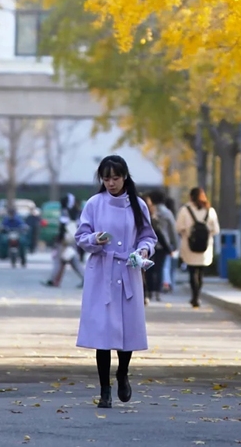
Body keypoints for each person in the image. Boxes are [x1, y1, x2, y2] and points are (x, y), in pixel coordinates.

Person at [75, 155, 157, 409]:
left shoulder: (137, 205)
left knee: (126, 330)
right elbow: (81, 235)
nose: (111, 183)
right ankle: (104, 390)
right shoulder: (94, 203)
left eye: (116, 178)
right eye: (106, 178)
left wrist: (143, 250)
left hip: (128, 270)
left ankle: (122, 373)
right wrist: (94, 240)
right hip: (102, 271)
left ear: (125, 177)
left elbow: (148, 236)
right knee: (103, 333)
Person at [176, 186, 220, 308]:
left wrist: (188, 232)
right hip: (205, 247)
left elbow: (179, 227)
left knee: (192, 272)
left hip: (189, 246)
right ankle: (197, 296)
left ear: (191, 197)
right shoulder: (210, 211)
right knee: (200, 272)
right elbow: (216, 230)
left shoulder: (185, 210)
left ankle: (194, 296)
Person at [144, 195, 173, 302]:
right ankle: (155, 291)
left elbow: (159, 234)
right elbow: (159, 234)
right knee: (157, 269)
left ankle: (149, 292)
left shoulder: (146, 216)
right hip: (155, 247)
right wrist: (169, 248)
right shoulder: (153, 217)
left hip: (144, 248)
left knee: (148, 270)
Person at [149, 190, 179, 292]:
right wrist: (175, 244)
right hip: (163, 244)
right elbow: (172, 230)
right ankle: (158, 290)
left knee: (149, 267)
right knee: (160, 267)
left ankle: (150, 290)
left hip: (150, 244)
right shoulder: (167, 213)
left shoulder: (149, 211)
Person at [46, 213, 85, 287]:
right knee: (72, 262)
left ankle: (53, 280)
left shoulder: (66, 215)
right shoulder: (74, 216)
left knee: (61, 262)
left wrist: (61, 240)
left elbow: (64, 229)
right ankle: (53, 280)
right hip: (68, 242)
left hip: (65, 243)